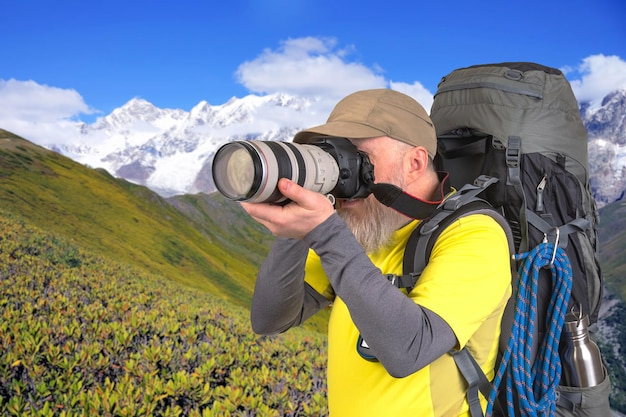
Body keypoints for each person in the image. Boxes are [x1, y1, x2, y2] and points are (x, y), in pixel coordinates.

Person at [241, 89, 512, 416]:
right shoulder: (359, 226)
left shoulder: (474, 234)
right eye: (334, 157)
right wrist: (293, 229)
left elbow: (408, 351)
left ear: (415, 163)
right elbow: (270, 318)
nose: (343, 175)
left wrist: (325, 232)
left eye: (358, 158)